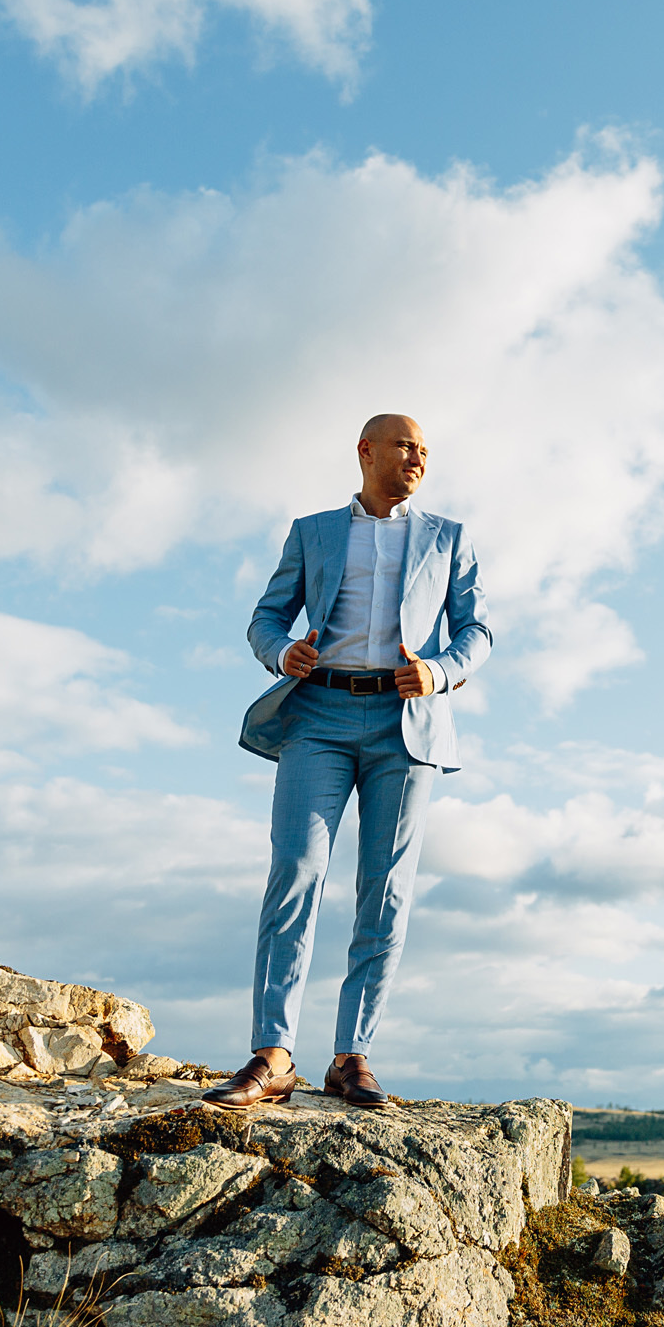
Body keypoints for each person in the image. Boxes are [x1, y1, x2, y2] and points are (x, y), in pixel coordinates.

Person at [203, 415, 490, 1110]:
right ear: (366, 453)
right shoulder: (314, 531)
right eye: (404, 444)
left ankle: (350, 1057)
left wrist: (442, 671)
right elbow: (266, 618)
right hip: (319, 717)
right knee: (296, 867)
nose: (418, 456)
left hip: (406, 725)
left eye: (425, 449)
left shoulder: (450, 537)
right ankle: (272, 1056)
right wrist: (281, 652)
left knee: (386, 886)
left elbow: (477, 631)